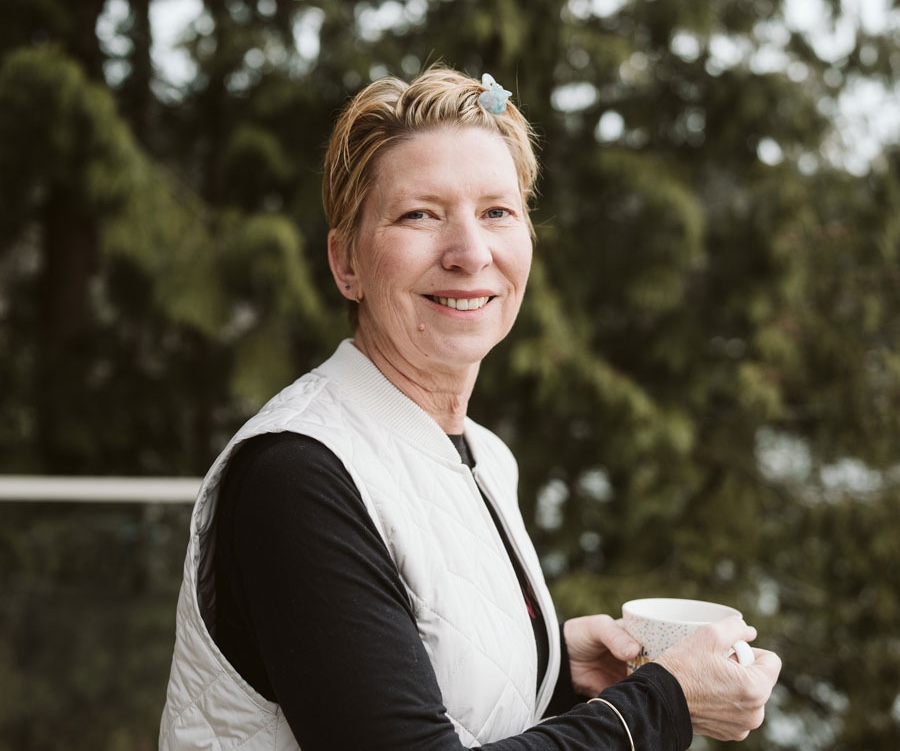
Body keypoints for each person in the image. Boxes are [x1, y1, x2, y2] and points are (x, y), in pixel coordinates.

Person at [159, 66, 781, 751]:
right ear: (346, 264)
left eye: (496, 211)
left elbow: (431, 687)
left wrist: (553, 669)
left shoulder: (484, 454)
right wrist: (661, 702)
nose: (469, 252)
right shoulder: (298, 474)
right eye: (420, 214)